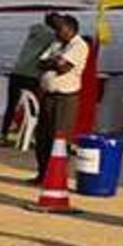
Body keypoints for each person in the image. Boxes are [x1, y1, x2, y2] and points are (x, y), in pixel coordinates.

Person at [33, 14, 90, 183]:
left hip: (65, 97)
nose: (57, 32)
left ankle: (56, 176)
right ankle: (42, 173)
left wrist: (53, 62)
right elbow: (39, 63)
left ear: (71, 29)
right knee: (43, 136)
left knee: (59, 137)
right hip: (48, 95)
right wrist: (54, 62)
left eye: (60, 29)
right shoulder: (57, 44)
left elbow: (64, 68)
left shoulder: (79, 45)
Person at [4, 13, 58, 143]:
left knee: (11, 106)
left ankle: (4, 134)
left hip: (17, 72)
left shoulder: (34, 30)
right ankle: (35, 135)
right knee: (39, 106)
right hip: (32, 75)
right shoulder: (52, 35)